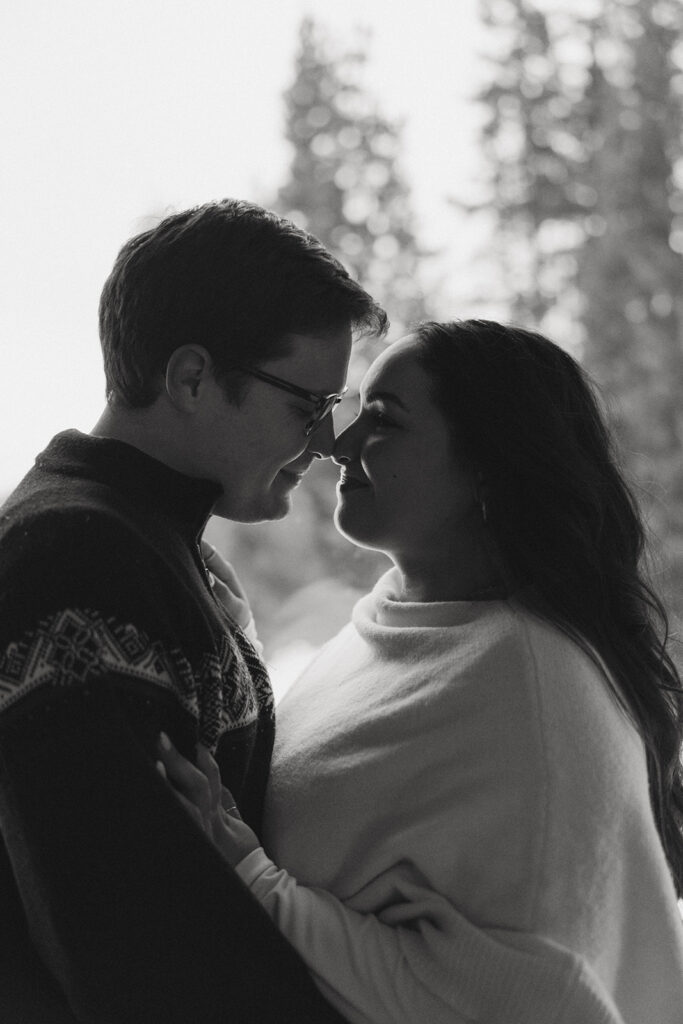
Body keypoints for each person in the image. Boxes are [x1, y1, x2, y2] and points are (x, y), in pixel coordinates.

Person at [159, 320, 683, 1024]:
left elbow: (536, 1002)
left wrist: (259, 884)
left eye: (383, 421)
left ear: (485, 470)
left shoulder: (531, 695)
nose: (336, 444)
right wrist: (234, 645)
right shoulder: (404, 617)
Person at [0, 198, 387, 1023]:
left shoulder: (150, 546)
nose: (326, 445)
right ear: (191, 378)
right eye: (307, 406)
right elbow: (143, 953)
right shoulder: (73, 558)